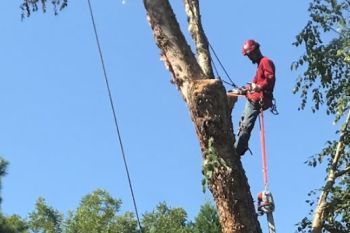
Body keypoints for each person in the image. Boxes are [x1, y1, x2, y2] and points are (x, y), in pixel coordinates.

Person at [230, 39, 276, 156]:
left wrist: (258, 87)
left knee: (245, 126)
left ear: (254, 52)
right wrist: (243, 90)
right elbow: (254, 83)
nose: (249, 58)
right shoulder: (260, 65)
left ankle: (237, 151)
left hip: (259, 98)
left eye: (249, 55)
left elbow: (270, 78)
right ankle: (239, 146)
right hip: (254, 98)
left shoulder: (265, 61)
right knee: (242, 124)